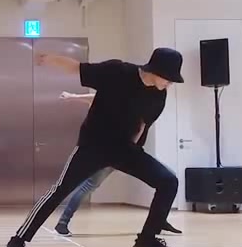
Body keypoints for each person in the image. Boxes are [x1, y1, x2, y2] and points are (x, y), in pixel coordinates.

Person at [6, 49, 183, 247]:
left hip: (124, 149)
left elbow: (142, 125)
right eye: (168, 79)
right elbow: (77, 68)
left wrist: (133, 152)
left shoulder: (158, 96)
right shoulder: (117, 71)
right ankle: (18, 240)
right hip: (92, 147)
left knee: (168, 181)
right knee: (60, 190)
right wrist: (50, 59)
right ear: (156, 70)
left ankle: (147, 240)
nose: (169, 84)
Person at [51, 91, 183, 238]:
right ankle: (62, 223)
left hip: (123, 152)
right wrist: (73, 97)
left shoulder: (142, 105)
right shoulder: (132, 103)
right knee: (89, 186)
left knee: (168, 180)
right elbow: (99, 100)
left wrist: (73, 97)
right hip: (119, 152)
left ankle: (160, 220)